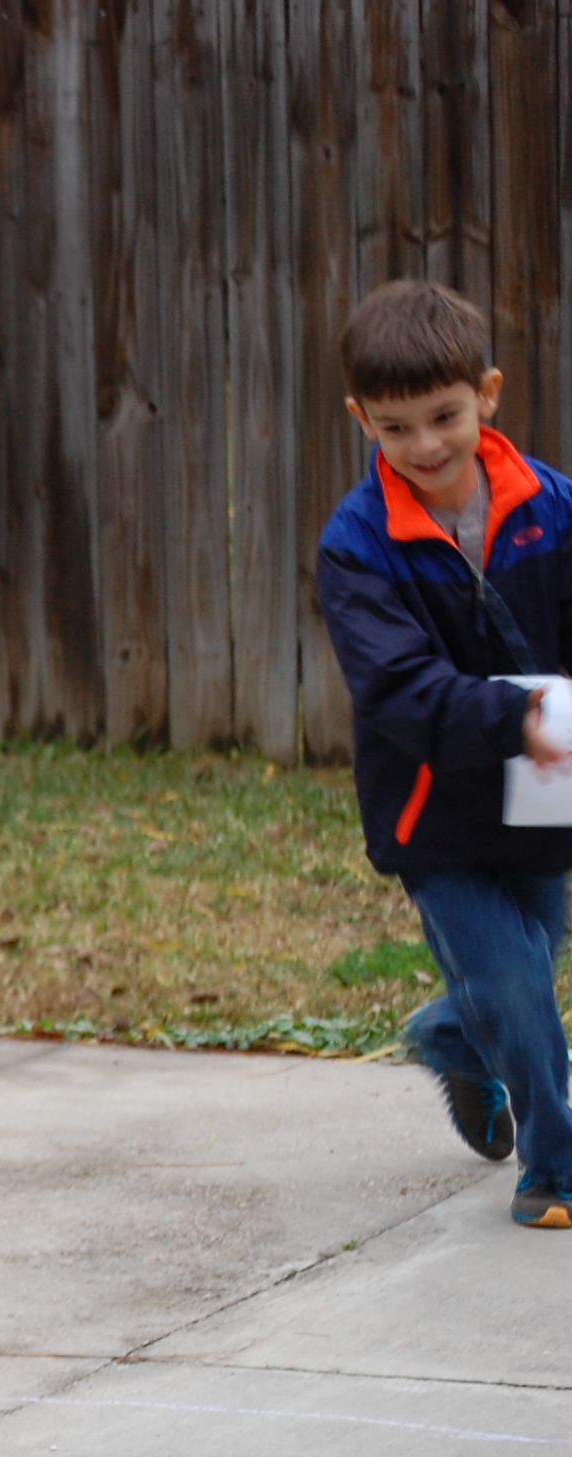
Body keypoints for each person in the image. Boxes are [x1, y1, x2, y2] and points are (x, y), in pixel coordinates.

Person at [317, 278, 572, 1228]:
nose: (424, 446)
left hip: (545, 797)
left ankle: (449, 1036)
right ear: (360, 420)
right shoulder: (357, 548)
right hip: (434, 812)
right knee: (514, 983)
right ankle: (554, 1171)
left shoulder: (554, 509)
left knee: (524, 976)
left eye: (444, 416)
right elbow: (397, 690)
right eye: (394, 428)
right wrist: (519, 723)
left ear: (489, 395)